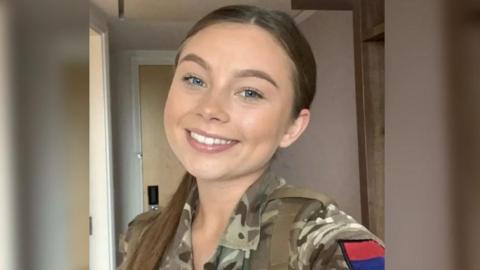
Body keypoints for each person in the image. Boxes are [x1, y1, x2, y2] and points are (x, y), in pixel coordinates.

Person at [118, 4, 384, 270]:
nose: (210, 108)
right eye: (195, 80)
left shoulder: (322, 245)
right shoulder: (141, 236)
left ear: (293, 127)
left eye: (250, 93)